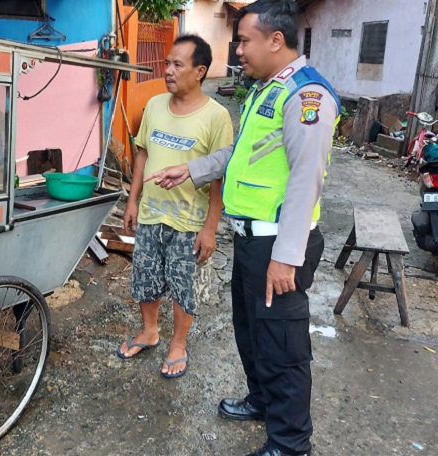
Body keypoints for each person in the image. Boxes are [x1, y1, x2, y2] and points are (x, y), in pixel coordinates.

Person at [145, 1, 340, 454]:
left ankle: (291, 443)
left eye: (244, 40)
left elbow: (304, 180)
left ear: (276, 40)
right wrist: (191, 170)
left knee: (282, 345)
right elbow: (237, 157)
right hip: (252, 241)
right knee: (251, 330)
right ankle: (262, 401)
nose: (238, 50)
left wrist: (287, 256)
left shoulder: (306, 96)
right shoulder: (265, 90)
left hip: (279, 245)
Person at [116, 34, 233, 379]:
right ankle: (150, 332)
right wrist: (132, 201)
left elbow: (218, 177)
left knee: (183, 286)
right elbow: (142, 154)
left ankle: (178, 344)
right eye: (167, 63)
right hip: (152, 213)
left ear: (199, 72)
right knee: (145, 279)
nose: (167, 70)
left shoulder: (217, 117)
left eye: (176, 64)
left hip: (189, 221)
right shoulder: (153, 106)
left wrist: (210, 228)